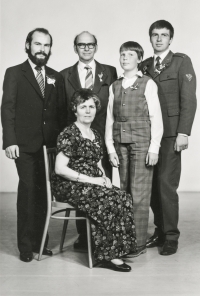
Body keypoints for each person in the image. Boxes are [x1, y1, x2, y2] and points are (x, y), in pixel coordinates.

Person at [51, 88, 137, 272]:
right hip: (69, 184)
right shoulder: (69, 133)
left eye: (91, 106)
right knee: (107, 199)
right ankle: (108, 255)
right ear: (75, 109)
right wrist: (92, 180)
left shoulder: (95, 134)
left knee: (123, 196)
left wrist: (103, 177)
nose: (88, 111)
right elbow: (60, 169)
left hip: (91, 181)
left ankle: (118, 248)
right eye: (83, 107)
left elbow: (97, 163)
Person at [1, 28, 67, 262]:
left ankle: (42, 242)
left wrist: (62, 145)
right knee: (28, 192)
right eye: (37, 44)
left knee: (43, 194)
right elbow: (7, 108)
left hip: (49, 147)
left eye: (46, 45)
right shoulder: (14, 73)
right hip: (24, 146)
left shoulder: (56, 76)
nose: (42, 49)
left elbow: (59, 112)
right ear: (28, 46)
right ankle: (26, 247)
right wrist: (9, 141)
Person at [141, 20, 197, 255]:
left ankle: (171, 237)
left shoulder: (181, 62)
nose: (159, 39)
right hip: (148, 136)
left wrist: (183, 132)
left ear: (171, 39)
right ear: (150, 38)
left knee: (166, 185)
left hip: (171, 134)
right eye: (155, 35)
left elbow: (189, 99)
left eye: (164, 35)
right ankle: (160, 231)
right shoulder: (143, 65)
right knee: (152, 186)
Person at [105, 41, 163, 258]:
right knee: (125, 193)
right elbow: (110, 119)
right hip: (121, 144)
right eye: (122, 54)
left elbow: (155, 117)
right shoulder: (115, 86)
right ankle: (125, 239)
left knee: (139, 194)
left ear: (139, 59)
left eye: (130, 54)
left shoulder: (147, 83)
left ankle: (136, 244)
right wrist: (110, 147)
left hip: (142, 144)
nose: (125, 58)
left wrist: (154, 148)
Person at [60, 31, 117, 250]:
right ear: (75, 48)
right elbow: (62, 111)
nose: (86, 48)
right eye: (81, 45)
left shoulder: (110, 72)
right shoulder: (64, 75)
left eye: (90, 44)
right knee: (82, 185)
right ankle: (84, 237)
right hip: (77, 142)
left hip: (103, 139)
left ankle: (103, 234)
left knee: (104, 186)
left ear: (96, 46)